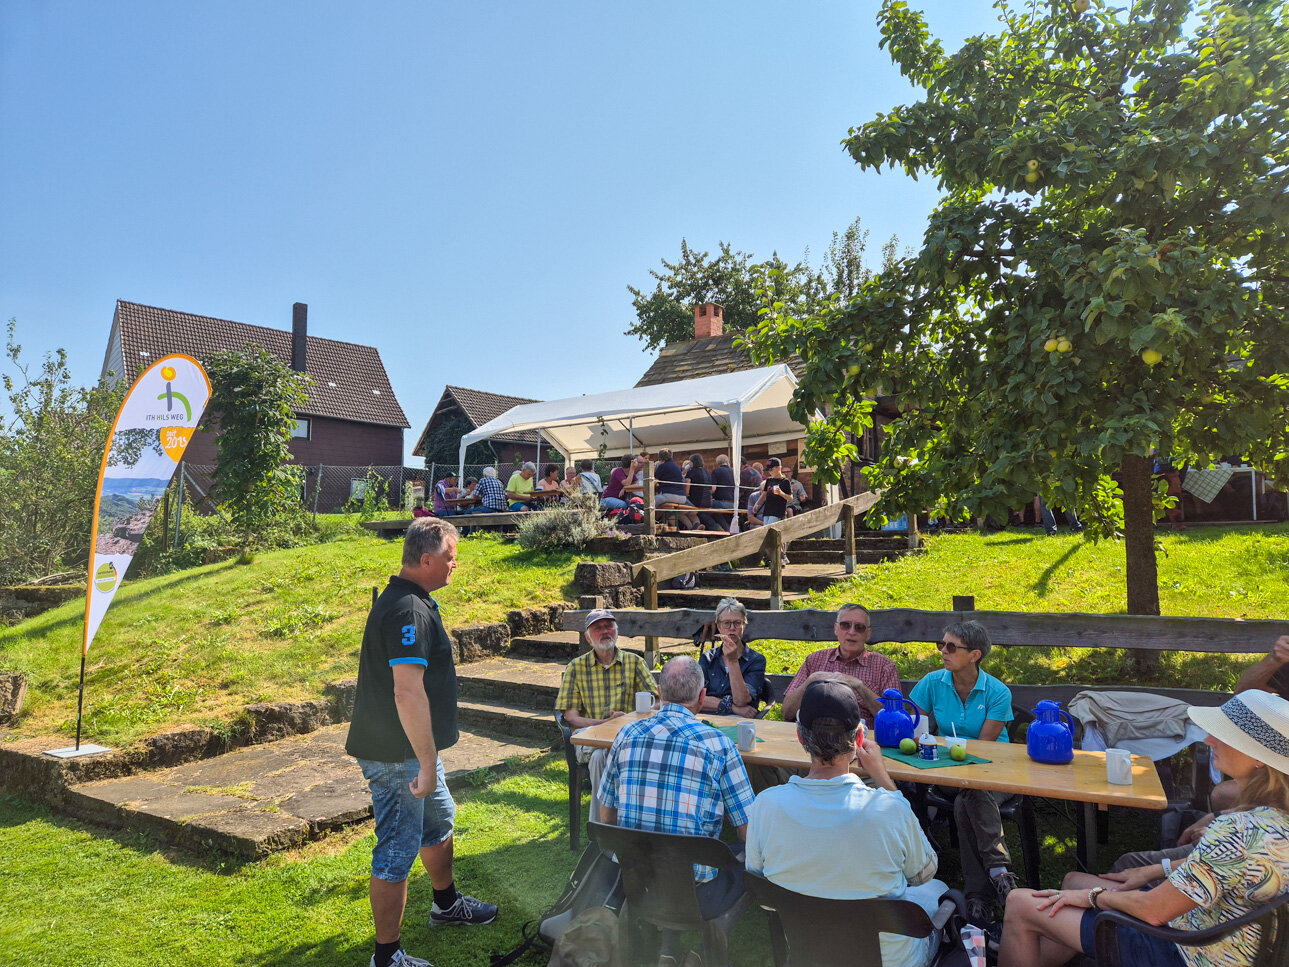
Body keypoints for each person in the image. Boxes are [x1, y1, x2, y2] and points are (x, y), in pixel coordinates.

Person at [999, 689, 1289, 967]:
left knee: (1021, 903)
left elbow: (1153, 910)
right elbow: (1227, 869)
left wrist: (1092, 897)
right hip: (1224, 938)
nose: (1210, 739)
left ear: (1259, 759)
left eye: (1224, 735)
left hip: (1183, 950)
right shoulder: (1274, 820)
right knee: (1074, 881)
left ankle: (1021, 939)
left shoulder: (1237, 830)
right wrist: (1153, 870)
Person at [344, 517, 498, 967]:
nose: (455, 566)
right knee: (396, 848)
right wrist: (426, 765)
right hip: (398, 754)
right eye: (451, 558)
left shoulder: (413, 601)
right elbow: (406, 691)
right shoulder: (408, 609)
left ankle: (445, 906)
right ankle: (387, 956)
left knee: (439, 822)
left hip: (411, 750)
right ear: (426, 559)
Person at [745, 681, 947, 967]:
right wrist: (886, 781)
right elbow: (923, 873)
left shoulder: (765, 805)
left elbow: (765, 897)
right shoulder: (890, 807)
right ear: (860, 737)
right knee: (937, 890)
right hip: (890, 961)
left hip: (810, 956)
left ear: (801, 737)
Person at [599, 656, 756, 918]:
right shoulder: (719, 745)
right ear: (703, 696)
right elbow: (749, 832)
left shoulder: (626, 735)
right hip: (695, 894)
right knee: (746, 858)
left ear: (659, 693)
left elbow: (607, 819)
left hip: (635, 883)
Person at [909, 620, 1016, 925]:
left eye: (951, 647)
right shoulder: (932, 682)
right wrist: (920, 736)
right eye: (941, 644)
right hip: (948, 772)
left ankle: (978, 897)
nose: (942, 651)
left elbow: (984, 751)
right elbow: (913, 724)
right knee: (970, 794)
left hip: (993, 772)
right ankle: (1000, 874)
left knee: (967, 799)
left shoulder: (997, 692)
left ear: (975, 655)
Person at [555, 609, 657, 823]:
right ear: (588, 637)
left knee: (602, 758)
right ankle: (613, 830)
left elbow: (655, 702)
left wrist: (626, 719)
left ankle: (602, 834)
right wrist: (605, 723)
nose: (604, 632)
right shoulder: (576, 667)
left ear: (617, 631)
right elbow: (571, 717)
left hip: (628, 738)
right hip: (590, 738)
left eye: (608, 626)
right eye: (597, 628)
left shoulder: (634, 662)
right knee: (601, 753)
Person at [782, 603, 901, 728]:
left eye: (859, 627)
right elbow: (787, 712)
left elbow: (895, 721)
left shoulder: (884, 667)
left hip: (862, 739)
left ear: (868, 634)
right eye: (845, 625)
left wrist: (860, 686)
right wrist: (810, 681)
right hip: (814, 738)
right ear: (836, 629)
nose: (851, 632)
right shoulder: (814, 660)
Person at [698, 598, 770, 718]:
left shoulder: (756, 660)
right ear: (719, 627)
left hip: (738, 721)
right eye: (727, 623)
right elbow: (695, 698)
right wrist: (732, 707)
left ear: (744, 626)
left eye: (737, 623)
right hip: (707, 717)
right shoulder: (707, 658)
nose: (732, 628)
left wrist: (732, 661)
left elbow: (741, 700)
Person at [653, 448, 700, 529]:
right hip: (682, 497)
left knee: (650, 504)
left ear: (660, 458)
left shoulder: (662, 466)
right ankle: (690, 528)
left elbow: (654, 481)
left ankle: (647, 524)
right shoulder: (676, 466)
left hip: (668, 495)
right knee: (675, 512)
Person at [685, 453, 722, 531]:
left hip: (697, 501)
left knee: (683, 509)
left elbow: (687, 489)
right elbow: (712, 489)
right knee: (701, 513)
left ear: (693, 462)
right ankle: (716, 527)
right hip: (708, 501)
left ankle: (692, 527)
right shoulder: (707, 472)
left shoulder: (691, 472)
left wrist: (686, 494)